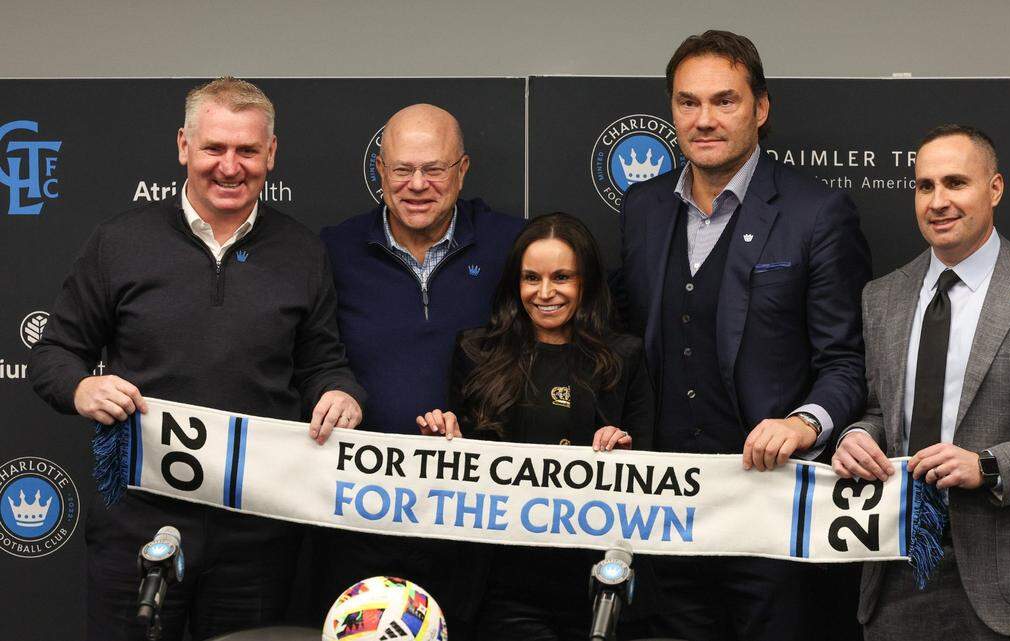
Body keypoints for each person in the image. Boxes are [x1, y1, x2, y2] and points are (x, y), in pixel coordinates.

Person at [28, 77, 366, 641]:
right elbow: (54, 355)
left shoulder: (304, 252)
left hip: (258, 531)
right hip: (137, 523)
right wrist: (81, 388)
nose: (230, 167)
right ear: (184, 146)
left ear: (271, 154)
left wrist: (341, 393)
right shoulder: (119, 242)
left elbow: (321, 364)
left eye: (248, 151)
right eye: (214, 148)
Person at [615, 29, 871, 640]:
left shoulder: (817, 213)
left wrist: (803, 423)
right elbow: (626, 346)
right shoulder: (643, 207)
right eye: (687, 102)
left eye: (724, 101)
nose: (704, 119)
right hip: (664, 511)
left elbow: (848, 362)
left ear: (760, 108)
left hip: (771, 513)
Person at [832, 124, 1010, 640]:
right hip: (896, 571)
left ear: (995, 188)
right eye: (924, 186)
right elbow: (879, 410)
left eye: (956, 183)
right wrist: (857, 437)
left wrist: (988, 465)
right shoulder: (883, 297)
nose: (938, 201)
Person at [317, 103, 523, 636]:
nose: (417, 185)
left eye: (434, 169)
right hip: (360, 518)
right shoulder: (331, 251)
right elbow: (306, 355)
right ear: (380, 171)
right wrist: (335, 389)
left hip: (476, 517)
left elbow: (555, 353)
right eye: (402, 169)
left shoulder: (514, 246)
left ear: (462, 170)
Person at [417, 212, 653, 641]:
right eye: (531, 278)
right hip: (502, 586)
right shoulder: (476, 351)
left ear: (587, 283)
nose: (546, 293)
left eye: (562, 277)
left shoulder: (626, 356)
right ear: (515, 283)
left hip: (598, 586)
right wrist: (441, 438)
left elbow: (652, 473)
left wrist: (624, 451)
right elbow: (457, 470)